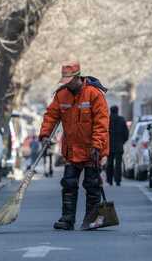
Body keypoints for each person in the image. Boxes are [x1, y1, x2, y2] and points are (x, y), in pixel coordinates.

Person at [39, 62, 109, 231]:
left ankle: (91, 218)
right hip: (72, 149)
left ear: (78, 77)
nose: (67, 83)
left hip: (92, 149)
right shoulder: (61, 96)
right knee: (69, 183)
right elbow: (51, 116)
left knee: (92, 185)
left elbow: (102, 122)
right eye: (65, 80)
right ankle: (67, 218)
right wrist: (45, 135)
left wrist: (97, 145)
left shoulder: (94, 94)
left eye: (69, 80)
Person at [106, 105, 128, 186]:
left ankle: (109, 180)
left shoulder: (107, 120)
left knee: (109, 163)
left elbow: (104, 132)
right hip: (119, 145)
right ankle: (118, 180)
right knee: (118, 164)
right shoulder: (121, 120)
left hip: (109, 145)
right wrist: (122, 141)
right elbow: (126, 133)